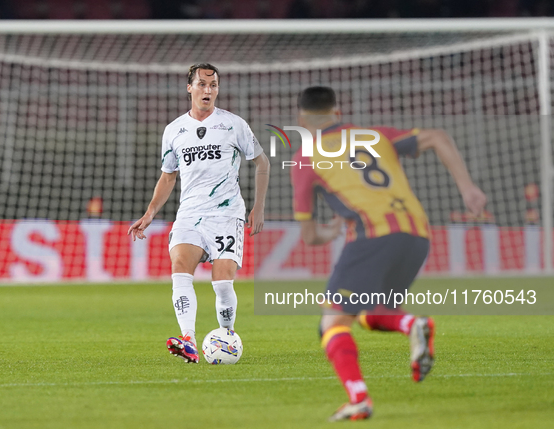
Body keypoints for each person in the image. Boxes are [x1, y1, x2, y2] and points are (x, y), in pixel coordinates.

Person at [290, 86, 486, 421]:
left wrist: (331, 231)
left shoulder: (305, 159)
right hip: (417, 234)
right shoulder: (375, 135)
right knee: (369, 310)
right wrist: (468, 189)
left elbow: (310, 237)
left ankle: (360, 396)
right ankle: (408, 323)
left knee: (332, 322)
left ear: (301, 120)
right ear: (338, 113)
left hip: (372, 236)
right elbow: (438, 136)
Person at [128, 63, 270, 363]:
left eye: (213, 85)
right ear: (189, 87)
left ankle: (227, 334)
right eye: (202, 84)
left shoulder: (234, 125)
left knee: (221, 283)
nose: (208, 90)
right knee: (180, 268)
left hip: (227, 214)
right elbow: (168, 177)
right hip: (190, 214)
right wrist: (150, 212)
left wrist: (259, 207)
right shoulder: (174, 131)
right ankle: (189, 340)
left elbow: (262, 163)